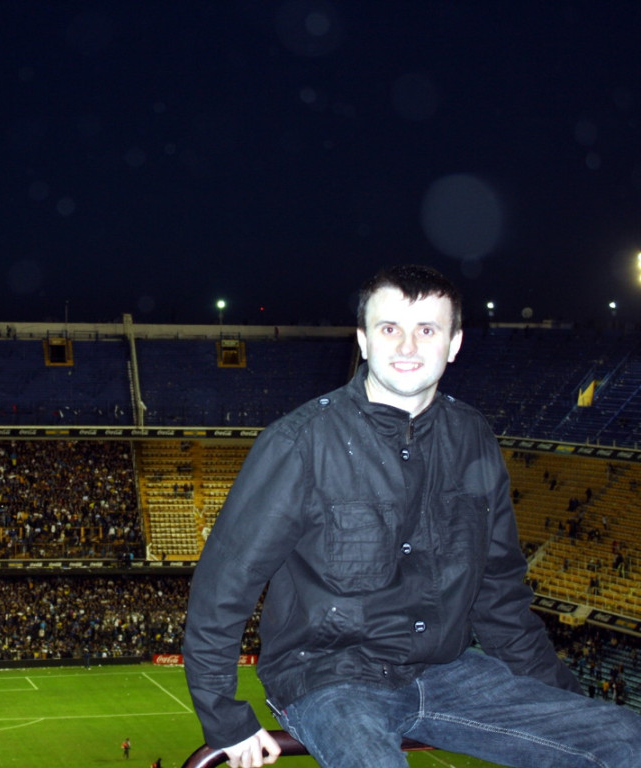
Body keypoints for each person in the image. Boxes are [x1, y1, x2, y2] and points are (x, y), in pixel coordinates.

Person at [183, 265, 641, 768]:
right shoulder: (300, 443)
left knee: (625, 738)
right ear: (362, 339)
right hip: (327, 677)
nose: (407, 346)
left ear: (454, 343)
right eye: (389, 328)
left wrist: (565, 704)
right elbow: (223, 586)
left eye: (427, 329)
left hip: (446, 672)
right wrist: (223, 717)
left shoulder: (474, 439)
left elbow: (500, 595)